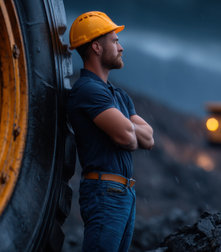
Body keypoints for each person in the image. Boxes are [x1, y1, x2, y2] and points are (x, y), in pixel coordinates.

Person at [67, 11, 154, 252]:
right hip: (105, 193)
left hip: (124, 193)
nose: (121, 47)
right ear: (96, 47)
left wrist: (124, 123)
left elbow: (149, 138)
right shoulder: (87, 90)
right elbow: (127, 137)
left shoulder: (117, 95)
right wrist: (127, 126)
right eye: (115, 41)